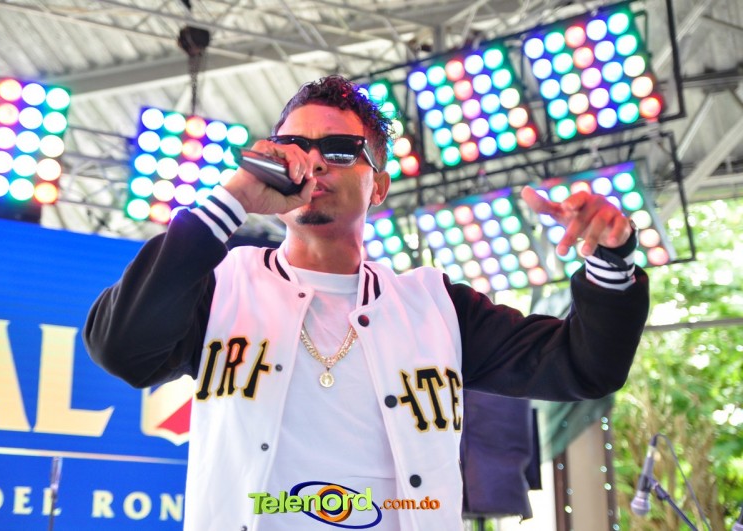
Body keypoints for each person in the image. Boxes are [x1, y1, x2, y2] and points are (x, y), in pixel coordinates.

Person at [83, 75, 649, 531]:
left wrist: (610, 258)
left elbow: (584, 365)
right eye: (294, 148)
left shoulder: (435, 307)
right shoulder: (222, 286)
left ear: (378, 186)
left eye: (339, 150)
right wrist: (233, 199)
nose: (313, 163)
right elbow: (120, 349)